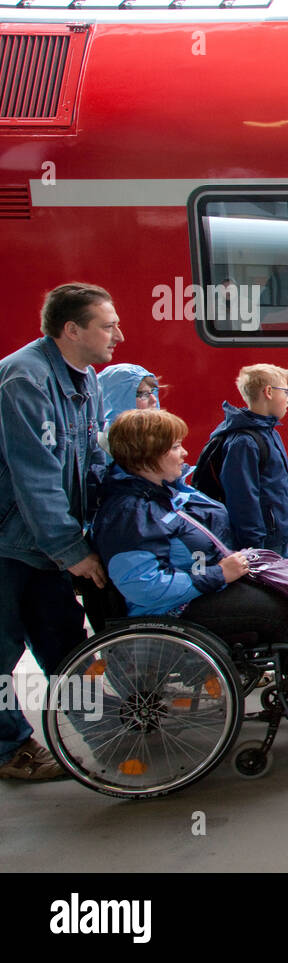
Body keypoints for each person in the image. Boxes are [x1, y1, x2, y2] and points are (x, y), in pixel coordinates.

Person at [93, 409, 288, 722]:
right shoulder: (130, 512)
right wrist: (218, 574)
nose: (184, 452)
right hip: (172, 609)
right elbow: (144, 585)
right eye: (176, 446)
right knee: (283, 612)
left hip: (194, 594)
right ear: (149, 454)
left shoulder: (157, 493)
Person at [0, 282, 120, 781]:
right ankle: (9, 750)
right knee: (2, 655)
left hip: (44, 546)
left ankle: (105, 732)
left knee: (68, 645)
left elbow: (92, 459)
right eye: (108, 325)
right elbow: (36, 477)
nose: (119, 334)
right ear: (72, 330)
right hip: (10, 545)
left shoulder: (85, 378)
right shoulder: (22, 381)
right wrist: (73, 549)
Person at [205, 364, 288, 556]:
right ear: (268, 392)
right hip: (263, 541)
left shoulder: (268, 433)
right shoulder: (245, 443)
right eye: (285, 391)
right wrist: (254, 545)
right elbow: (243, 498)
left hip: (276, 535)